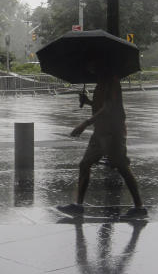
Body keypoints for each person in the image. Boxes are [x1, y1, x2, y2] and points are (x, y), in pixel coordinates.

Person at [57, 71, 146, 218]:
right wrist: (88, 102)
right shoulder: (101, 82)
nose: (91, 67)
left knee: (122, 167)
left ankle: (139, 207)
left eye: (94, 64)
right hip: (99, 132)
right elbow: (101, 106)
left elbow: (109, 107)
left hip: (113, 133)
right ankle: (78, 205)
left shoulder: (112, 81)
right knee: (84, 164)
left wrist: (85, 124)